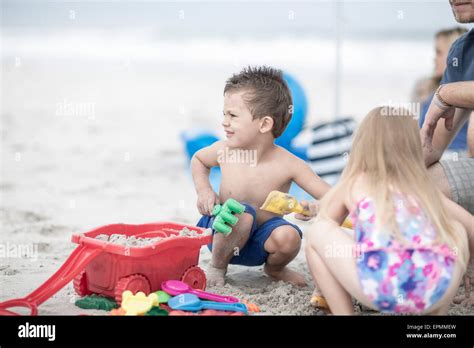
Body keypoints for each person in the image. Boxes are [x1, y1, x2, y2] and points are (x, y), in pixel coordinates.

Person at [305, 106, 472, 314]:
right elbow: (470, 227)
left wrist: (322, 285)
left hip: (381, 289)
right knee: (457, 229)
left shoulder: (354, 183)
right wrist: (467, 266)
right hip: (433, 290)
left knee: (318, 231)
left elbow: (328, 223)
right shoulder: (423, 187)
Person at [191, 66, 329, 287]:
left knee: (289, 237)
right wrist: (204, 190)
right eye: (224, 114)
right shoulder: (225, 150)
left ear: (264, 124)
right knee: (243, 213)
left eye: (233, 115)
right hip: (222, 232)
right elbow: (198, 160)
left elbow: (331, 196)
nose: (224, 122)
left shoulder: (289, 164)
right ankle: (217, 266)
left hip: (261, 241)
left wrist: (316, 208)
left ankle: (275, 269)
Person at [421, 0, 474, 306]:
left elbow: (447, 97)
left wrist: (448, 93)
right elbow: (431, 146)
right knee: (412, 185)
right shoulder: (462, 52)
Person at [413, 27, 468, 152]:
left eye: (439, 52)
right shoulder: (428, 87)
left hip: (450, 157)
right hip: (427, 154)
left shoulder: (464, 92)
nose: (434, 58)